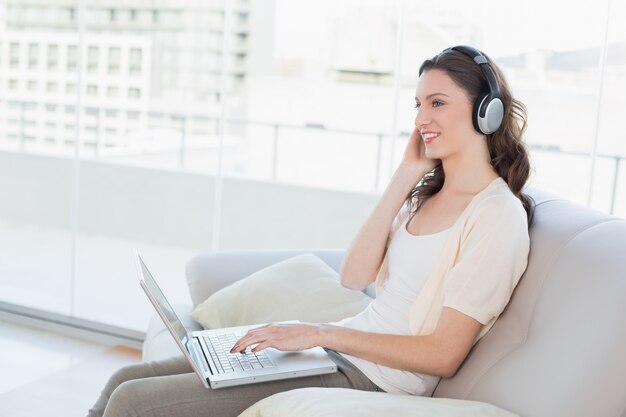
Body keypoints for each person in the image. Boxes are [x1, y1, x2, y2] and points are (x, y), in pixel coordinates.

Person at [88, 45, 533, 417]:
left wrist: (318, 332)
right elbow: (354, 276)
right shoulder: (425, 196)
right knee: (123, 378)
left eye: (437, 102)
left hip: (372, 379)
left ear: (485, 112)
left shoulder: (496, 216)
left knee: (133, 403)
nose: (421, 118)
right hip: (337, 355)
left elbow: (443, 354)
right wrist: (405, 176)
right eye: (418, 105)